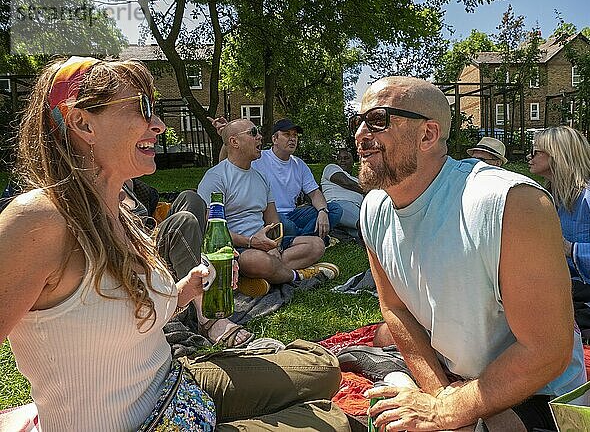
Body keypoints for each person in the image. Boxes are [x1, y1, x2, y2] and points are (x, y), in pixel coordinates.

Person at [0, 56, 349, 431]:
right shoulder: (40, 220)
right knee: (331, 421)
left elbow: (124, 316)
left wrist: (186, 290)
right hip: (144, 422)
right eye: (143, 108)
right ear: (84, 123)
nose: (160, 125)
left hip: (174, 387)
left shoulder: (118, 212)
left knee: (322, 369)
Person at [353, 76, 585, 431]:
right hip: (454, 378)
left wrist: (450, 410)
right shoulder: (373, 209)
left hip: (536, 392)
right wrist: (439, 396)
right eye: (358, 121)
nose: (360, 134)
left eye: (378, 120)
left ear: (428, 135)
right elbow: (395, 309)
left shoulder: (511, 203)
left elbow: (547, 351)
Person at [197, 119, 340, 297]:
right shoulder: (216, 177)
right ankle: (298, 275)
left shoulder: (261, 178)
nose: (259, 137)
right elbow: (211, 229)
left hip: (264, 244)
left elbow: (273, 220)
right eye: (253, 133)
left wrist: (274, 243)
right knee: (259, 261)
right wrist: (250, 242)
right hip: (237, 247)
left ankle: (253, 277)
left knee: (316, 245)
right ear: (234, 142)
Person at [121, 178, 254, 348]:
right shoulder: (90, 183)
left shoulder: (127, 182)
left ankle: (211, 276)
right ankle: (208, 317)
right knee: (183, 222)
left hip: (146, 238)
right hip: (134, 254)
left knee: (191, 198)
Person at [529, 126, 590, 337]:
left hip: (588, 293)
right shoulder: (549, 193)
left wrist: (570, 249)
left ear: (558, 155)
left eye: (536, 152)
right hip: (563, 285)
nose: (529, 156)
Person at [252, 118, 343, 241]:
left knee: (335, 210)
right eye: (287, 134)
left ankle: (295, 239)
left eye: (295, 135)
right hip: (270, 214)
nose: (292, 139)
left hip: (293, 214)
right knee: (287, 226)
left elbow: (315, 193)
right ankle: (309, 238)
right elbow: (230, 162)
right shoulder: (259, 158)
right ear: (275, 139)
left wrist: (323, 212)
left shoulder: (298, 164)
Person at [321, 148, 364, 239]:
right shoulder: (331, 168)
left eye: (346, 158)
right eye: (339, 158)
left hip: (356, 209)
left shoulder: (357, 180)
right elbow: (345, 182)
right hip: (338, 205)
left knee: (360, 234)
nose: (342, 161)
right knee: (365, 226)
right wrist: (369, 190)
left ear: (353, 161)